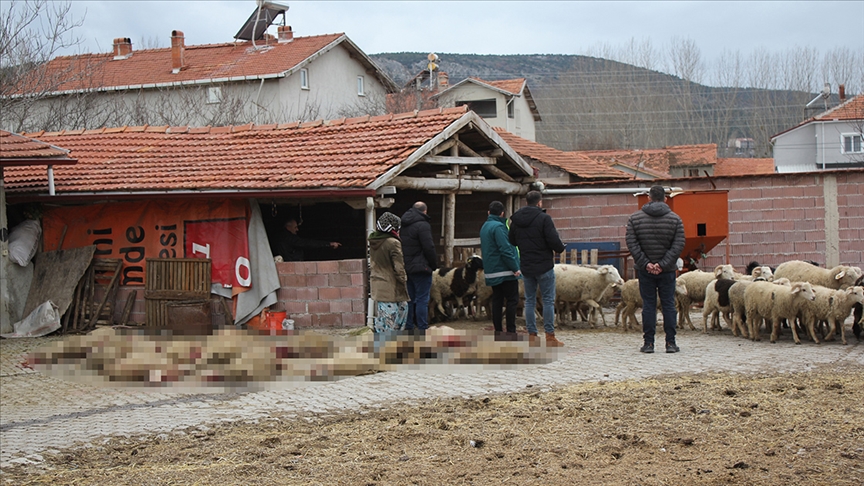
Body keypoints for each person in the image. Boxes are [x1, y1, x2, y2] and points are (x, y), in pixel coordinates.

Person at [625, 185, 685, 354]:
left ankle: (649, 343)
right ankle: (670, 343)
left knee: (649, 305)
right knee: (668, 305)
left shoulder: (635, 219)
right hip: (667, 271)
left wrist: (646, 264)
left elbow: (632, 242)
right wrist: (663, 264)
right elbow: (678, 244)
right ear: (666, 199)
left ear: (649, 198)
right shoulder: (675, 219)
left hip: (645, 271)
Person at [509, 191, 566, 346]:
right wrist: (561, 248)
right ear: (539, 202)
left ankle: (532, 335)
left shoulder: (516, 220)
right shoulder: (544, 218)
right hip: (544, 265)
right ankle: (549, 336)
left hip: (527, 265)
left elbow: (512, 240)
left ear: (526, 202)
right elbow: (553, 239)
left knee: (529, 301)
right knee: (547, 300)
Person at [480, 201, 522, 340]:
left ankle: (498, 331)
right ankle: (511, 331)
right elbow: (505, 249)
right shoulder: (499, 227)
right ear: (502, 213)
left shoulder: (485, 226)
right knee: (512, 300)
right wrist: (515, 267)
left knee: (497, 300)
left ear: (488, 212)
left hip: (492, 270)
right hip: (505, 271)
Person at [368, 212, 410, 335]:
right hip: (392, 286)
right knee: (397, 318)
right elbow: (399, 267)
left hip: (378, 285)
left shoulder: (373, 240)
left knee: (383, 319)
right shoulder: (393, 243)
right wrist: (403, 280)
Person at [400, 201, 438, 332]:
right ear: (425, 211)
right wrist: (433, 265)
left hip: (407, 267)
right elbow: (429, 247)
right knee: (422, 299)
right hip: (422, 268)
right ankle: (422, 328)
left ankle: (409, 326)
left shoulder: (403, 225)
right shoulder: (423, 225)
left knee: (409, 298)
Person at [274, 218, 341, 262]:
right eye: (295, 227)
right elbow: (307, 243)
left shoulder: (281, 237)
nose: (297, 230)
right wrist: (328, 244)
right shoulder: (289, 238)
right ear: (288, 227)